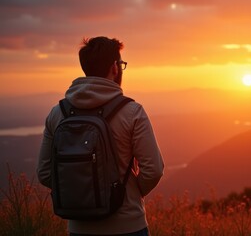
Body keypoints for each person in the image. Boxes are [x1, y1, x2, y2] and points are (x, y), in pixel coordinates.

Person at [37, 36, 164, 236]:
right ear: (115, 67)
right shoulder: (132, 112)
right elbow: (154, 170)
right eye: (121, 65)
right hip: (128, 226)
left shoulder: (57, 113)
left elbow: (44, 173)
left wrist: (79, 191)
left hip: (79, 228)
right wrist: (128, 193)